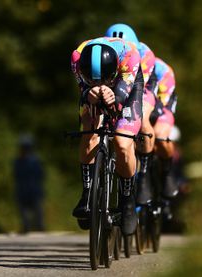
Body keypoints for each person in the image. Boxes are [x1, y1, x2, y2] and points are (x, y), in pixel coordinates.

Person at [70, 36, 143, 235]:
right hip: (92, 85)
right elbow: (83, 89)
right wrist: (88, 93)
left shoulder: (129, 55)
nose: (100, 83)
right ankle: (87, 194)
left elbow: (122, 94)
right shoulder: (77, 57)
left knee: (122, 142)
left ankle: (128, 200)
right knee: (88, 127)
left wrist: (114, 97)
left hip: (126, 86)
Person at [104, 23, 157, 205]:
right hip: (115, 82)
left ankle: (144, 174)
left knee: (141, 117)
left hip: (142, 85)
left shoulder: (145, 54)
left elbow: (134, 88)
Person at [150, 57, 179, 200]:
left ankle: (168, 172)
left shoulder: (161, 69)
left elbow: (163, 104)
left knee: (159, 135)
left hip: (162, 104)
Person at [13, 135, 45, 233]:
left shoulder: (35, 160)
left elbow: (41, 174)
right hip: (23, 189)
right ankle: (26, 226)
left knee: (37, 210)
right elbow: (16, 175)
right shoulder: (18, 161)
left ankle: (40, 227)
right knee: (24, 210)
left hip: (33, 189)